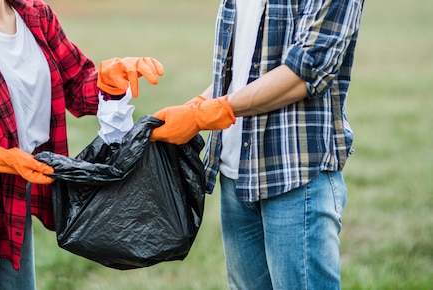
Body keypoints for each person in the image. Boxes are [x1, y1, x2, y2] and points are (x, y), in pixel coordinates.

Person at [0, 0, 164, 288]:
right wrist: (0, 159)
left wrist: (111, 79)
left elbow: (77, 84)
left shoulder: (36, 16)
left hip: (18, 190)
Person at [150, 0, 364, 289]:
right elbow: (243, 70)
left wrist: (204, 115)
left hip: (296, 176)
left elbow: (309, 68)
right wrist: (197, 105)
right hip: (236, 177)